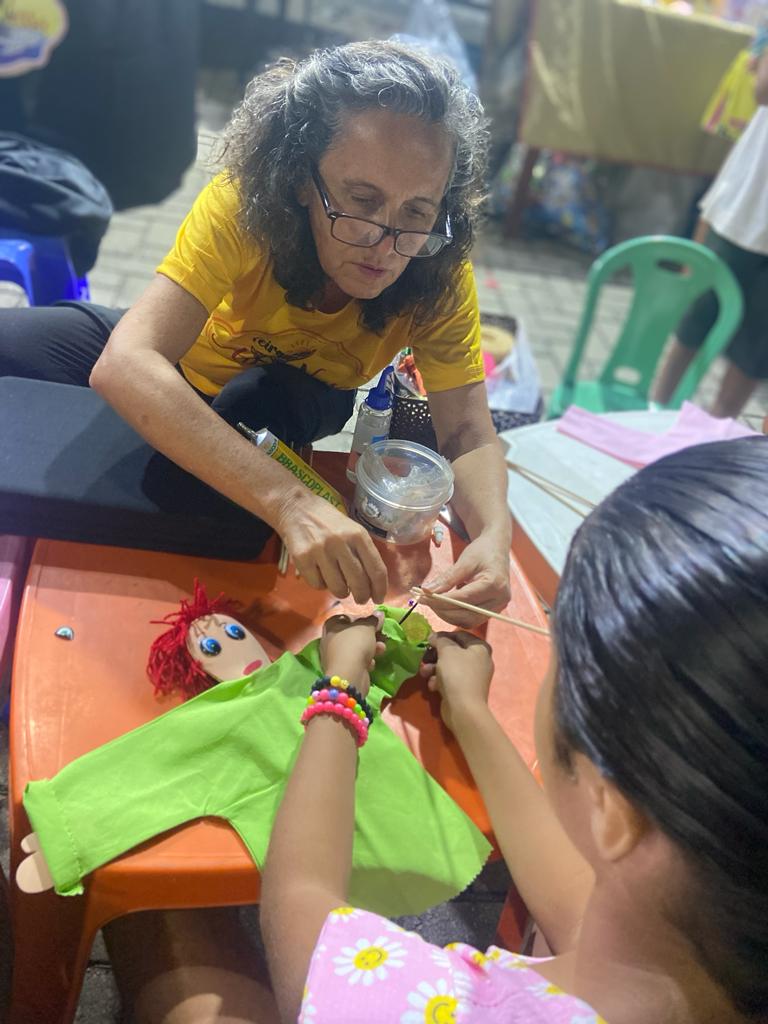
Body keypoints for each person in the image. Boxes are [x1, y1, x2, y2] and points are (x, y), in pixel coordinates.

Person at [103, 434, 768, 1023]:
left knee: (158, 917)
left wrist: (341, 690)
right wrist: (472, 716)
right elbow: (585, 906)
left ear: (611, 809)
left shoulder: (420, 1005)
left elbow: (302, 904)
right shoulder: (701, 940)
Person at [0, 41, 511, 626]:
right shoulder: (246, 207)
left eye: (418, 211)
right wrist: (290, 500)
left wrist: (494, 536)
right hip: (191, 351)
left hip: (292, 391)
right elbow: (126, 362)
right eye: (362, 200)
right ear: (299, 181)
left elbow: (468, 431)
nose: (386, 243)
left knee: (246, 416)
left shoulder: (438, 274)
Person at [652, 35, 768, 417]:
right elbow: (764, 89)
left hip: (746, 207)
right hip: (745, 207)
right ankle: (654, 412)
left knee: (755, 351)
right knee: (696, 320)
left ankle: (715, 438)